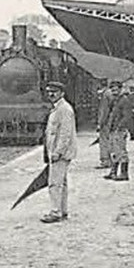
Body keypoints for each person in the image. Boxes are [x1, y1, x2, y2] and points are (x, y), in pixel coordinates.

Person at [40, 80, 76, 224]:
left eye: (54, 92)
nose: (51, 94)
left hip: (60, 153)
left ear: (62, 93)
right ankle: (63, 210)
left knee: (54, 183)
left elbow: (65, 134)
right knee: (62, 183)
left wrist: (58, 152)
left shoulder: (64, 109)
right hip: (56, 151)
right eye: (49, 91)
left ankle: (55, 212)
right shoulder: (58, 108)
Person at [108, 80, 134, 181]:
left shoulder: (124, 100)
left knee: (121, 151)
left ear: (120, 89)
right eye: (112, 90)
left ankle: (124, 173)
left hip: (119, 129)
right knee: (114, 151)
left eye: (116, 90)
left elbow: (127, 116)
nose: (114, 92)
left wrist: (120, 127)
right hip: (114, 128)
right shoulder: (116, 100)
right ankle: (113, 171)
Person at [94, 80, 115, 169]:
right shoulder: (111, 93)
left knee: (104, 141)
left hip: (106, 122)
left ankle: (105, 160)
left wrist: (100, 123)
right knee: (111, 140)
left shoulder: (105, 95)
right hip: (112, 120)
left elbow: (104, 110)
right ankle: (112, 159)